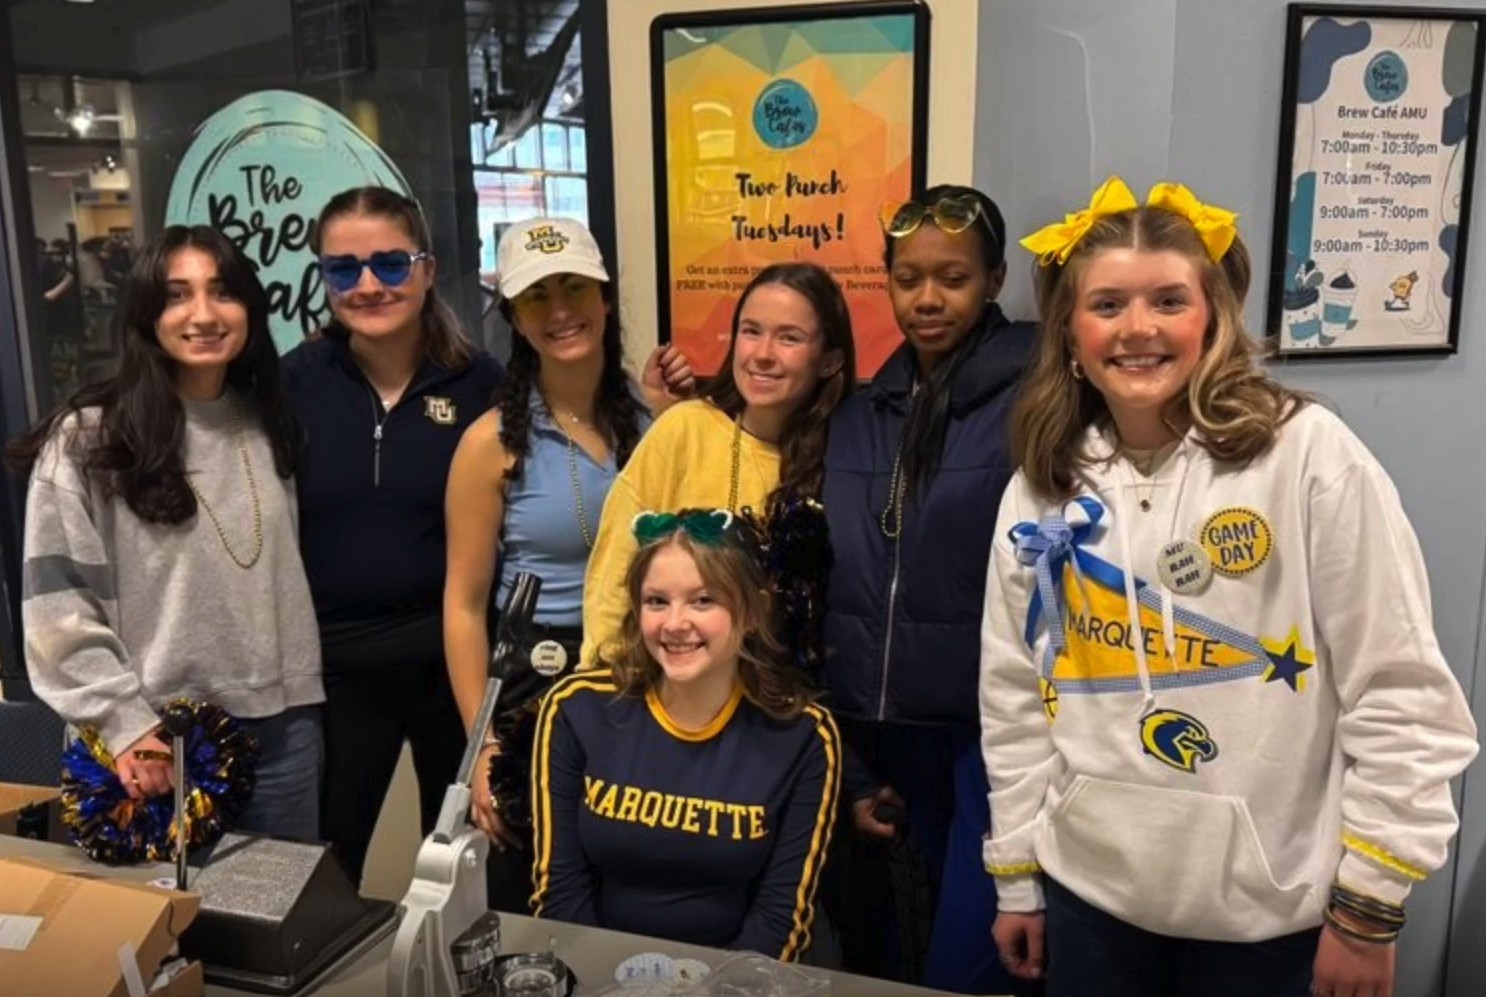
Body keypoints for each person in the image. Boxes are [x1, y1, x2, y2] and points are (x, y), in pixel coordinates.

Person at [982, 177, 1479, 997]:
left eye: (1167, 300)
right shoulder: (1042, 486)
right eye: (1107, 304)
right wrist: (1017, 873)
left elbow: (1400, 692)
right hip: (1089, 899)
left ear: (1211, 316)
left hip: (1269, 916)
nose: (1137, 328)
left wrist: (1367, 910)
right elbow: (1012, 697)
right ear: (1069, 333)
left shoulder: (1305, 456)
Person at [12, 225, 323, 839]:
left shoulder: (269, 423)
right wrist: (124, 722)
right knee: (160, 929)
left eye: (221, 292)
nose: (203, 315)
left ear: (250, 311)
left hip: (285, 728)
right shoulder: (87, 439)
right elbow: (57, 609)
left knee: (279, 923)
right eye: (177, 295)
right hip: (149, 738)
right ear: (146, 314)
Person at [818, 185, 1036, 994]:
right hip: (887, 734)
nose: (928, 298)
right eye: (908, 278)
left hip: (989, 731)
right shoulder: (861, 413)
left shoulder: (1038, 398)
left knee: (976, 961)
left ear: (994, 280)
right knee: (896, 956)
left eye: (953, 277)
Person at [443, 216, 694, 910]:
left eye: (575, 287)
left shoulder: (653, 422)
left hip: (642, 675)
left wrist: (675, 409)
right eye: (536, 296)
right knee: (536, 892)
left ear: (605, 298)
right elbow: (463, 607)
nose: (560, 310)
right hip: (533, 685)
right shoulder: (489, 442)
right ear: (516, 319)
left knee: (633, 881)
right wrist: (483, 746)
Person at [282, 186, 504, 886]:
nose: (369, 285)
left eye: (390, 263)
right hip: (337, 674)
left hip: (453, 668)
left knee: (466, 864)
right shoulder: (291, 385)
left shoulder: (479, 384)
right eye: (344, 269)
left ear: (428, 269)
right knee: (327, 866)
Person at [531, 509, 840, 959]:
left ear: (752, 613)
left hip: (738, 980)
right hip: (600, 972)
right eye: (657, 601)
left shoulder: (803, 735)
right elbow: (559, 893)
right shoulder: (576, 708)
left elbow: (781, 916)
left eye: (703, 600)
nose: (675, 624)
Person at [580, 262, 855, 668]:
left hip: (778, 704)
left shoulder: (845, 458)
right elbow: (614, 579)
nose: (762, 355)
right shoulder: (684, 429)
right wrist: (601, 682)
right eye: (751, 331)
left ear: (829, 360)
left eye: (789, 338)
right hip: (666, 695)